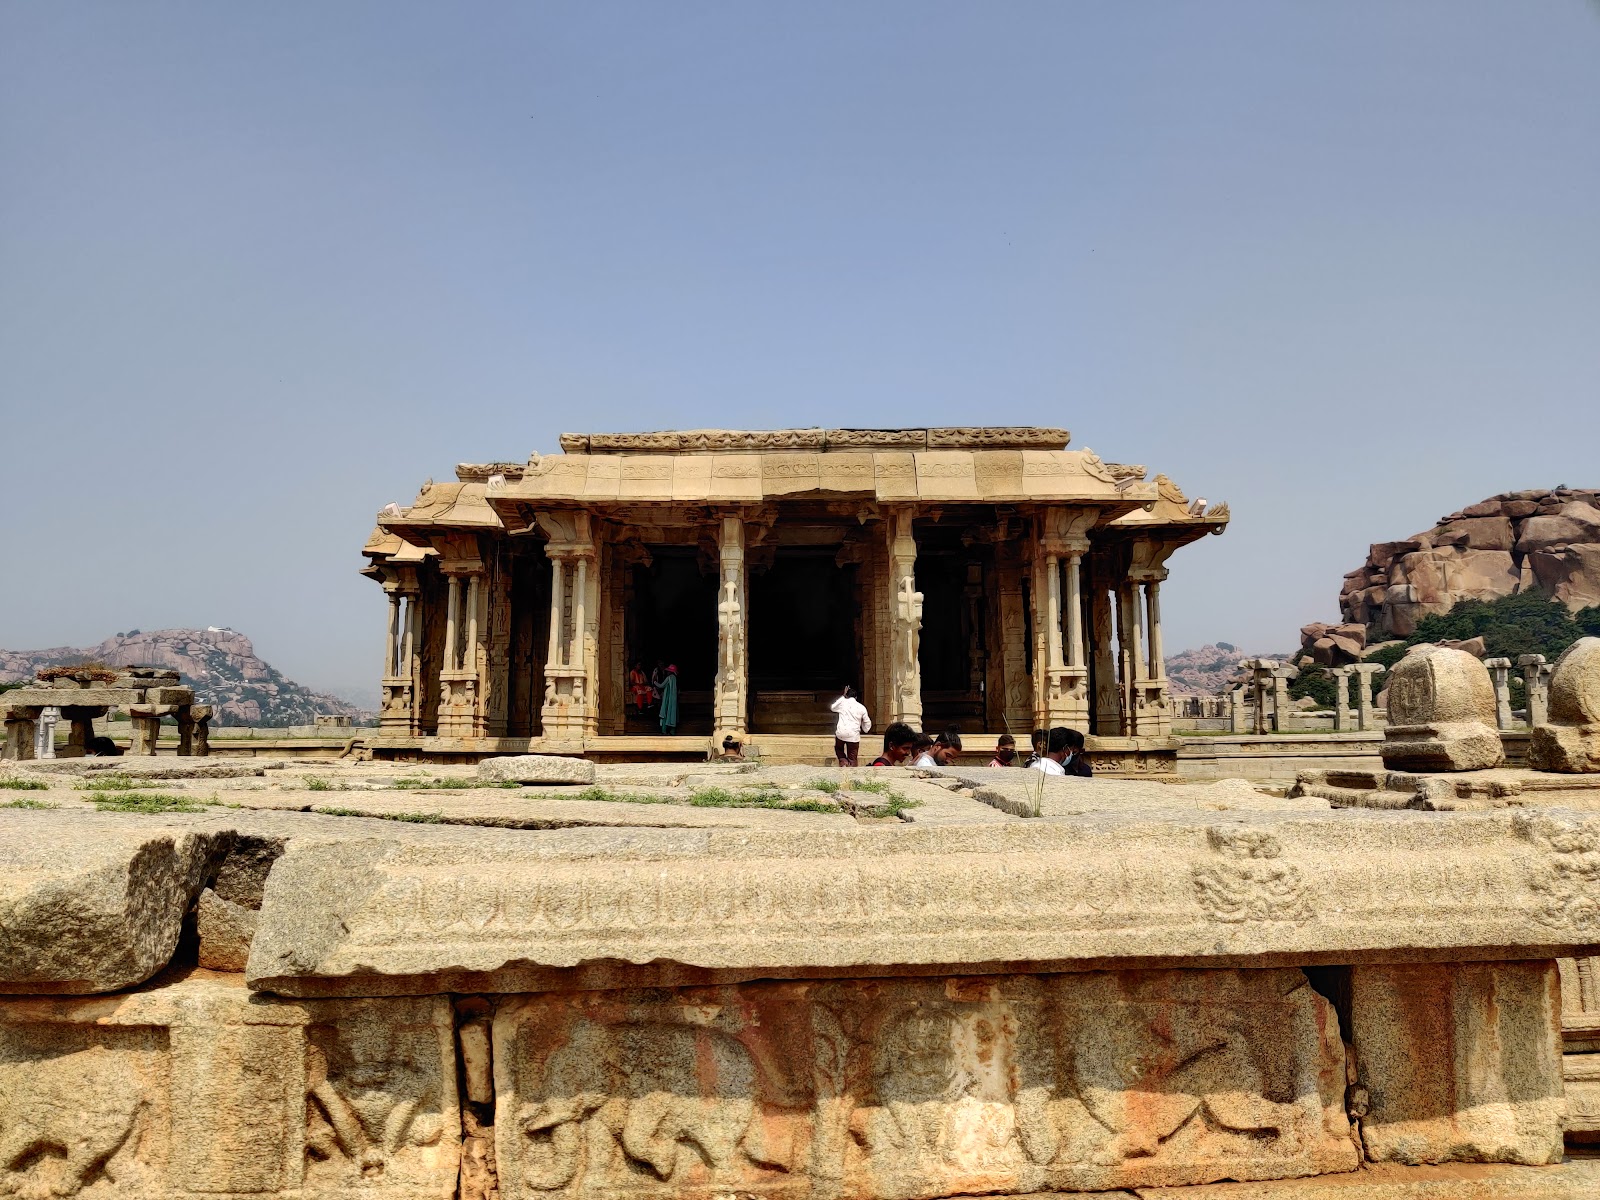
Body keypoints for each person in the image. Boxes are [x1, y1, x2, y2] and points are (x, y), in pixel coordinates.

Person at [829, 684, 871, 767]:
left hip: (841, 733)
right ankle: (851, 767)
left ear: (847, 696)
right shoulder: (861, 707)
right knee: (852, 757)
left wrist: (842, 697)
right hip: (853, 735)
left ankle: (843, 762)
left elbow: (832, 708)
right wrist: (866, 729)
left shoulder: (843, 704)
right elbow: (867, 721)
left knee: (839, 749)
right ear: (856, 697)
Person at [658, 664, 679, 736]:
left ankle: (664, 731)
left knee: (665, 713)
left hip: (668, 698)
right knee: (673, 714)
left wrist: (654, 682)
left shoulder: (669, 678)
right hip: (674, 699)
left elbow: (661, 686)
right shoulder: (675, 678)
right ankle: (672, 731)